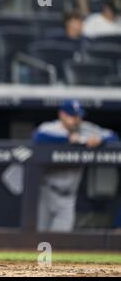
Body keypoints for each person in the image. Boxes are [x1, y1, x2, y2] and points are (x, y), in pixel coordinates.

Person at [33, 99, 119, 232]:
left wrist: (100, 140)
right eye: (72, 116)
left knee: (60, 241)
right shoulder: (51, 128)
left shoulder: (86, 128)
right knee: (39, 236)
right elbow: (38, 137)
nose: (76, 119)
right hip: (48, 190)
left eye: (78, 116)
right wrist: (67, 141)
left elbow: (113, 136)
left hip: (69, 197)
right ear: (62, 115)